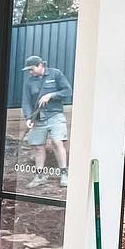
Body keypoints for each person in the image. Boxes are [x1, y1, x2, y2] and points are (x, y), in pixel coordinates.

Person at [21, 54, 72, 188]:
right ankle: (39, 176)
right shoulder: (29, 82)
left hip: (55, 115)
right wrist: (28, 118)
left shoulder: (55, 74)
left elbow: (67, 91)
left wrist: (51, 95)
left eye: (31, 69)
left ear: (40, 65)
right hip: (38, 118)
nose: (30, 72)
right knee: (38, 146)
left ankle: (64, 174)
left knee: (57, 142)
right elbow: (26, 102)